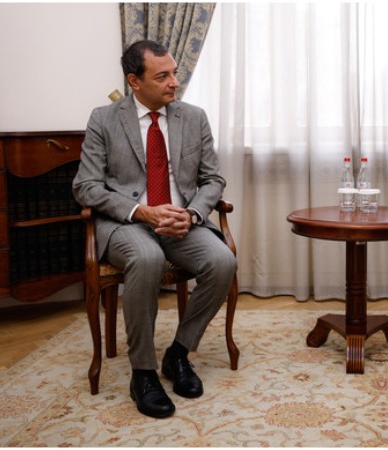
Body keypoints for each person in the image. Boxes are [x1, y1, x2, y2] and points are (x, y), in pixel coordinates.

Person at [73, 40, 237, 419]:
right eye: (162, 76)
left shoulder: (193, 117)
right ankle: (143, 374)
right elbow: (86, 186)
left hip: (180, 222)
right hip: (127, 222)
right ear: (135, 81)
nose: (174, 82)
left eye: (174, 73)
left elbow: (213, 179)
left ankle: (177, 354)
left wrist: (192, 214)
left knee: (222, 262)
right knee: (147, 258)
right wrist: (141, 212)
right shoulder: (104, 119)